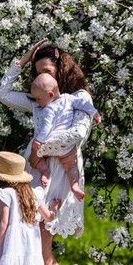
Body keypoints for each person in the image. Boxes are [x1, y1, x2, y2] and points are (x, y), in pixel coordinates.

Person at [0, 38, 96, 265]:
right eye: (38, 73)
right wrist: (23, 60)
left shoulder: (78, 98)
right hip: (36, 170)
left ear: (61, 71)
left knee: (43, 244)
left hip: (62, 170)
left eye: (47, 72)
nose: (43, 77)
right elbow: (1, 93)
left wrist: (40, 149)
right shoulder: (39, 101)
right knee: (28, 238)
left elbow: (78, 135)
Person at [29, 72, 100, 201]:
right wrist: (95, 113)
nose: (38, 103)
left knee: (34, 160)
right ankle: (74, 185)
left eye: (38, 99)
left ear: (50, 95)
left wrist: (38, 140)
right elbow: (83, 104)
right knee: (72, 167)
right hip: (66, 146)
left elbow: (47, 127)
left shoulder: (48, 109)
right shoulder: (69, 99)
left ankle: (45, 171)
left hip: (49, 143)